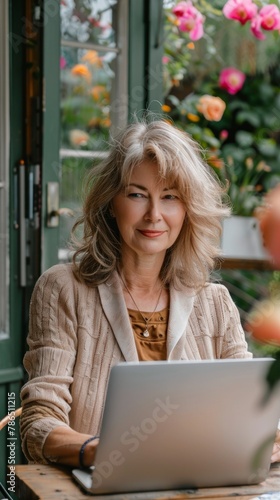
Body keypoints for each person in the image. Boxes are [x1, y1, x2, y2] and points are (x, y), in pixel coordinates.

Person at [20, 118, 280, 468]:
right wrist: (101, 451)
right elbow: (38, 424)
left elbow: (254, 408)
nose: (154, 215)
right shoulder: (63, 289)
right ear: (112, 201)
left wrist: (266, 435)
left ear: (188, 210)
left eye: (170, 197)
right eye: (137, 194)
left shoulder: (215, 304)